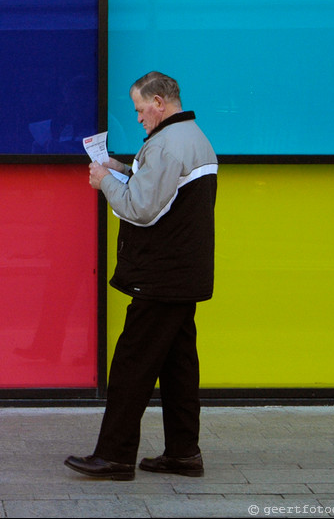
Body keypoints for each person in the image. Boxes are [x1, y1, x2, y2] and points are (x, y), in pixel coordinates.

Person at [66, 71, 218, 481]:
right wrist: (120, 168)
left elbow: (142, 209)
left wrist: (104, 183)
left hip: (161, 276)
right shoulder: (193, 137)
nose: (137, 118)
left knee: (132, 363)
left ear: (158, 102)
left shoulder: (166, 145)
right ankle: (184, 453)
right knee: (179, 365)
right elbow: (164, 195)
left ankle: (114, 455)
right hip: (185, 273)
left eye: (139, 108)